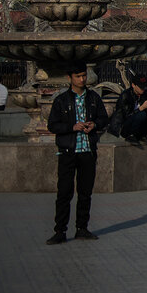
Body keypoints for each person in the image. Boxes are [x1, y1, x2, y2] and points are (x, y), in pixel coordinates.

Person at [45, 65, 110, 243]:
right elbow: (52, 125)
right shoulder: (62, 100)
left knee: (85, 192)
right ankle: (60, 230)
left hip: (87, 151)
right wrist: (71, 127)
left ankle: (82, 228)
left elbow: (104, 119)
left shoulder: (93, 98)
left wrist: (94, 124)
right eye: (78, 76)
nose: (82, 80)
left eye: (83, 76)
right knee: (64, 192)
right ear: (70, 78)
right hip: (68, 151)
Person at [109, 76, 147, 144]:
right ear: (133, 85)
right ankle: (131, 135)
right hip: (123, 126)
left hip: (138, 121)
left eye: (144, 87)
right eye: (140, 87)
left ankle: (141, 136)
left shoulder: (145, 94)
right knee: (142, 115)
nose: (143, 89)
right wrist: (141, 108)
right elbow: (126, 115)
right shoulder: (126, 95)